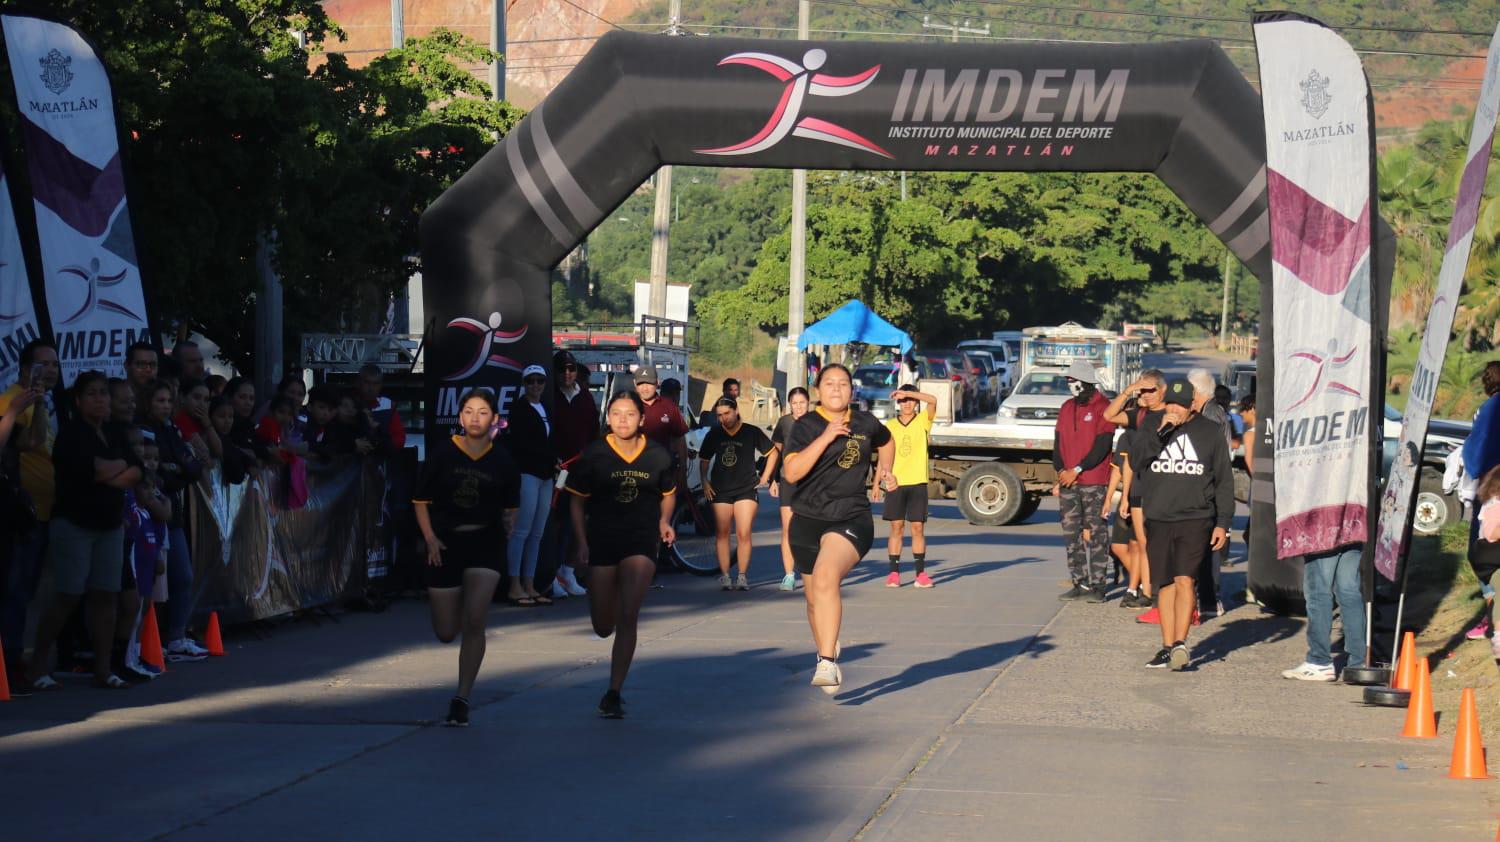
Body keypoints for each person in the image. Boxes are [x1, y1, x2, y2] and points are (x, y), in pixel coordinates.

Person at [782, 364, 896, 694]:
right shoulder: (805, 426)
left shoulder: (864, 422)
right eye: (829, 383)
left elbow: (886, 441)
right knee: (813, 600)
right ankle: (827, 645)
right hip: (807, 520)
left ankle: (827, 662)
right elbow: (792, 473)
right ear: (818, 390)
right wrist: (826, 436)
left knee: (826, 577)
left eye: (843, 383)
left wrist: (885, 471)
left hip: (851, 517)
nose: (836, 389)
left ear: (852, 390)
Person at [412, 388, 521, 727]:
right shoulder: (444, 453)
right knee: (446, 631)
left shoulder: (503, 459)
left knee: (475, 621)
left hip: (485, 542)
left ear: (495, 419)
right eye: (469, 411)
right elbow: (420, 500)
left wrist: (507, 525)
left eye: (483, 412)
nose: (475, 418)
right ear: (460, 417)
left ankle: (461, 698)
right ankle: (456, 600)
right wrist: (429, 538)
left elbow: (512, 506)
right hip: (445, 543)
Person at [565, 391, 677, 719]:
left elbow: (668, 493)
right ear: (608, 417)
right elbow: (576, 501)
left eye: (630, 414)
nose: (623, 420)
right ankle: (607, 606)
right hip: (602, 540)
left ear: (641, 419)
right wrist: (580, 542)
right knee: (603, 626)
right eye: (616, 413)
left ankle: (614, 692)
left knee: (629, 613)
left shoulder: (657, 455)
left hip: (641, 539)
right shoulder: (594, 454)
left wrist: (664, 520)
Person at [27, 371, 141, 690]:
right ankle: (37, 667)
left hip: (110, 524)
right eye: (92, 393)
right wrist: (115, 468)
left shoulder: (116, 432)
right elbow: (97, 470)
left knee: (107, 595)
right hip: (74, 524)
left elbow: (136, 470)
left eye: (103, 392)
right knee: (69, 594)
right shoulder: (71, 435)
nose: (100, 399)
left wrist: (111, 473)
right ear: (78, 401)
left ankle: (103, 670)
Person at [1130, 379, 1233, 671]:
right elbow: (1137, 461)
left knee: (1185, 579)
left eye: (1180, 405)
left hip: (1195, 517)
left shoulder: (1209, 431)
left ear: (1192, 406)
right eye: (1170, 404)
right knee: (1164, 582)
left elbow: (1224, 480)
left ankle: (1180, 643)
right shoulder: (1152, 425)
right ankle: (1166, 647)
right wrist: (1160, 433)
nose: (1174, 409)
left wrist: (1223, 522)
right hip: (1159, 517)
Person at [0, 339, 61, 691]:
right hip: (18, 514)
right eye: (43, 364)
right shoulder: (11, 400)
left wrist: (38, 402)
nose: (51, 370)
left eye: (54, 364)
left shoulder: (37, 402)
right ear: (25, 369)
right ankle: (9, 663)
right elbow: (23, 444)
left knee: (25, 589)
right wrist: (19, 409)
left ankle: (13, 659)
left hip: (40, 511)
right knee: (16, 590)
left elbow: (37, 443)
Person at [139, 379, 208, 661]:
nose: (166, 406)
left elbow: (193, 468)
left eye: (169, 401)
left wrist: (176, 468)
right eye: (160, 401)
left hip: (172, 515)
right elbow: (154, 474)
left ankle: (177, 637)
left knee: (183, 576)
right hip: (147, 514)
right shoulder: (142, 431)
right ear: (148, 403)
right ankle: (144, 643)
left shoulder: (172, 430)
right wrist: (175, 469)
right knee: (149, 583)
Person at [1105, 369, 1168, 624]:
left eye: (1150, 389)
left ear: (1162, 389)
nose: (1146, 394)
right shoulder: (1140, 415)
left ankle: (1158, 593)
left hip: (1164, 486)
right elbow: (1109, 416)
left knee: (1157, 543)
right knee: (1142, 543)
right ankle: (1147, 594)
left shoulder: (1173, 412)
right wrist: (1128, 391)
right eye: (1142, 390)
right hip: (1140, 486)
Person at [1053, 360, 1117, 603]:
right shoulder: (1066, 407)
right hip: (1069, 482)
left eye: (1073, 381)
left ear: (1086, 383)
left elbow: (1103, 446)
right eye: (1068, 381)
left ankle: (1098, 585)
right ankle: (1078, 582)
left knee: (1097, 532)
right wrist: (1062, 471)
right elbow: (1057, 443)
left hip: (1093, 481)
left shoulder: (1103, 407)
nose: (1070, 385)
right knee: (1072, 534)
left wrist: (1078, 469)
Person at [698, 397, 774, 591]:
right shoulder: (714, 434)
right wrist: (705, 481)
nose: (724, 418)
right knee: (723, 532)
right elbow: (704, 460)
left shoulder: (751, 431)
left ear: (736, 411)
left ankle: (741, 576)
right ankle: (725, 576)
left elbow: (773, 453)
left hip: (746, 488)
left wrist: (765, 477)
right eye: (719, 415)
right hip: (720, 489)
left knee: (743, 532)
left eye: (727, 413)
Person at [503, 365, 559, 606]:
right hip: (528, 474)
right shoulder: (518, 409)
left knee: (537, 534)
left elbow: (549, 441)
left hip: (546, 476)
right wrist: (549, 458)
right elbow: (522, 445)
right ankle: (514, 585)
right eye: (530, 381)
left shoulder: (545, 407)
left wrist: (554, 460)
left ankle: (529, 584)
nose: (535, 385)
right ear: (524, 384)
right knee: (521, 532)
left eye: (540, 381)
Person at [550, 350, 597, 598]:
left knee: (579, 521)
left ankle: (568, 572)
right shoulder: (549, 396)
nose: (567, 374)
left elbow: (594, 432)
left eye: (571, 369)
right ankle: (551, 574)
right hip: (557, 471)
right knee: (556, 523)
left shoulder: (586, 397)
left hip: (580, 470)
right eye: (562, 369)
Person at [882, 385, 938, 588]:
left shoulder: (923, 421)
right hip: (896, 484)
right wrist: (880, 479)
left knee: (917, 528)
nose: (907, 404)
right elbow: (883, 453)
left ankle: (920, 574)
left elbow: (932, 400)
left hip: (917, 482)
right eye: (903, 400)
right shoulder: (890, 425)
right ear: (897, 403)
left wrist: (908, 393)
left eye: (910, 400)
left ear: (915, 402)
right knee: (897, 528)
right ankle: (893, 573)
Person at [1188, 368, 1232, 617]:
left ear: (1198, 391)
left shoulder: (1211, 414)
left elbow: (1211, 453)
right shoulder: (1213, 410)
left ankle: (1210, 599)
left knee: (1209, 548)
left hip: (1211, 486)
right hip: (1211, 483)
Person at [762, 387, 811, 591]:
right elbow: (776, 453)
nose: (798, 407)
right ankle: (789, 575)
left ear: (808, 403)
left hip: (811, 481)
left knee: (811, 529)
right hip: (788, 479)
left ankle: (812, 571)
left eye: (802, 403)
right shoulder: (784, 423)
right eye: (795, 403)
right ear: (789, 405)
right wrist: (773, 479)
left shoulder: (817, 422)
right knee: (788, 529)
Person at [357, 364, 406, 450]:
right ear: (359, 383)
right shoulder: (348, 404)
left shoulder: (389, 406)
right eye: (367, 383)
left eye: (375, 384)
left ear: (381, 385)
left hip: (380, 455)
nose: (371, 388)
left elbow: (399, 440)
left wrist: (376, 445)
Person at [125, 341, 159, 407]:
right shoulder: (113, 399)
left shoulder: (165, 400)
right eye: (141, 364)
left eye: (153, 364)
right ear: (126, 366)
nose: (148, 369)